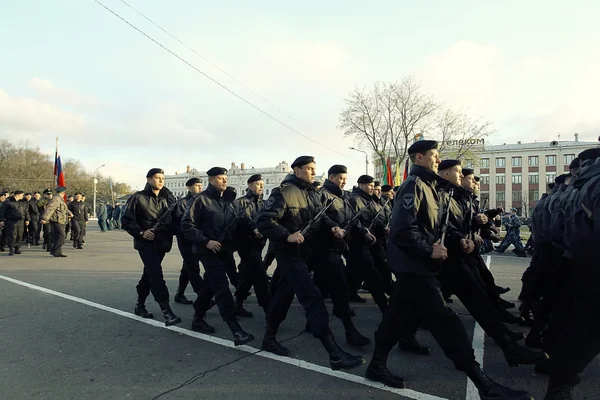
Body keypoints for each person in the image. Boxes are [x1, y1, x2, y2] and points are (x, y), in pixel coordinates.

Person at [365, 140, 532, 400]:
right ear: (419, 157)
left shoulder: (431, 187)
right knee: (447, 323)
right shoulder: (413, 186)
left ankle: (376, 365)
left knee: (396, 319)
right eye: (434, 155)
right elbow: (401, 232)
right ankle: (484, 385)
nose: (437, 159)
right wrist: (427, 249)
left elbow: (438, 227)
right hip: (415, 267)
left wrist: (454, 240)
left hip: (421, 267)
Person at [257, 155, 364, 370]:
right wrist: (287, 235)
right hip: (289, 254)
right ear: (296, 170)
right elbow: (265, 220)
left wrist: (333, 227)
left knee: (283, 297)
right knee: (313, 297)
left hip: (306, 252)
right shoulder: (284, 192)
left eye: (314, 168)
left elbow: (321, 217)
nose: (313, 172)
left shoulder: (312, 193)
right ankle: (334, 353)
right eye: (309, 168)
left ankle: (269, 338)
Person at [181, 167, 254, 345]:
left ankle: (198, 317)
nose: (225, 181)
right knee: (221, 286)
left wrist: (256, 229)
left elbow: (242, 220)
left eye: (225, 178)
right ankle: (235, 329)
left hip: (225, 250)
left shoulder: (228, 201)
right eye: (221, 178)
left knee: (210, 286)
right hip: (207, 250)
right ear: (211, 180)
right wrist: (206, 242)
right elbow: (187, 225)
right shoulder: (200, 200)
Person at [122, 168, 181, 327]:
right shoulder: (138, 198)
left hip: (163, 243)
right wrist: (141, 232)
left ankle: (140, 305)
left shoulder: (169, 199)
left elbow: (176, 221)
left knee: (148, 275)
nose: (161, 181)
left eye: (162, 178)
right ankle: (166, 311)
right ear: (148, 180)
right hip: (146, 244)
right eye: (157, 178)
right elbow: (127, 220)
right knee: (156, 275)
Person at [233, 174, 271, 317]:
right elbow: (244, 218)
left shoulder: (264, 203)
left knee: (248, 274)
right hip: (246, 243)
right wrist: (254, 228)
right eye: (258, 184)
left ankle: (238, 303)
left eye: (262, 184)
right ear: (249, 186)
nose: (261, 186)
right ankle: (268, 308)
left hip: (259, 244)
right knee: (260, 274)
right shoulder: (241, 202)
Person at [172, 177, 204, 305]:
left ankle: (179, 294)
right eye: (197, 185)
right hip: (186, 241)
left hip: (198, 240)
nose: (200, 188)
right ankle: (203, 297)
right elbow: (178, 224)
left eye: (201, 185)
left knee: (187, 268)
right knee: (193, 268)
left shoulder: (203, 201)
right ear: (189, 187)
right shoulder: (182, 203)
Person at [40, 187, 70, 258]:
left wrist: (69, 213)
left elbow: (63, 209)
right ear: (63, 193)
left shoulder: (60, 199)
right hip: (56, 220)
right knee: (61, 235)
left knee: (57, 236)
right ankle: (54, 250)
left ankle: (58, 252)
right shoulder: (56, 199)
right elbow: (50, 209)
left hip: (61, 220)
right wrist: (45, 218)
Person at [0, 190, 30, 256]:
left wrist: (28, 219)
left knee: (19, 235)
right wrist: (1, 220)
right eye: (22, 195)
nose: (23, 196)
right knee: (12, 235)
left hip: (21, 221)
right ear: (18, 195)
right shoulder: (8, 202)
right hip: (11, 221)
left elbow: (26, 211)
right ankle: (11, 248)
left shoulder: (23, 202)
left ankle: (17, 248)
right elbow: (2, 211)